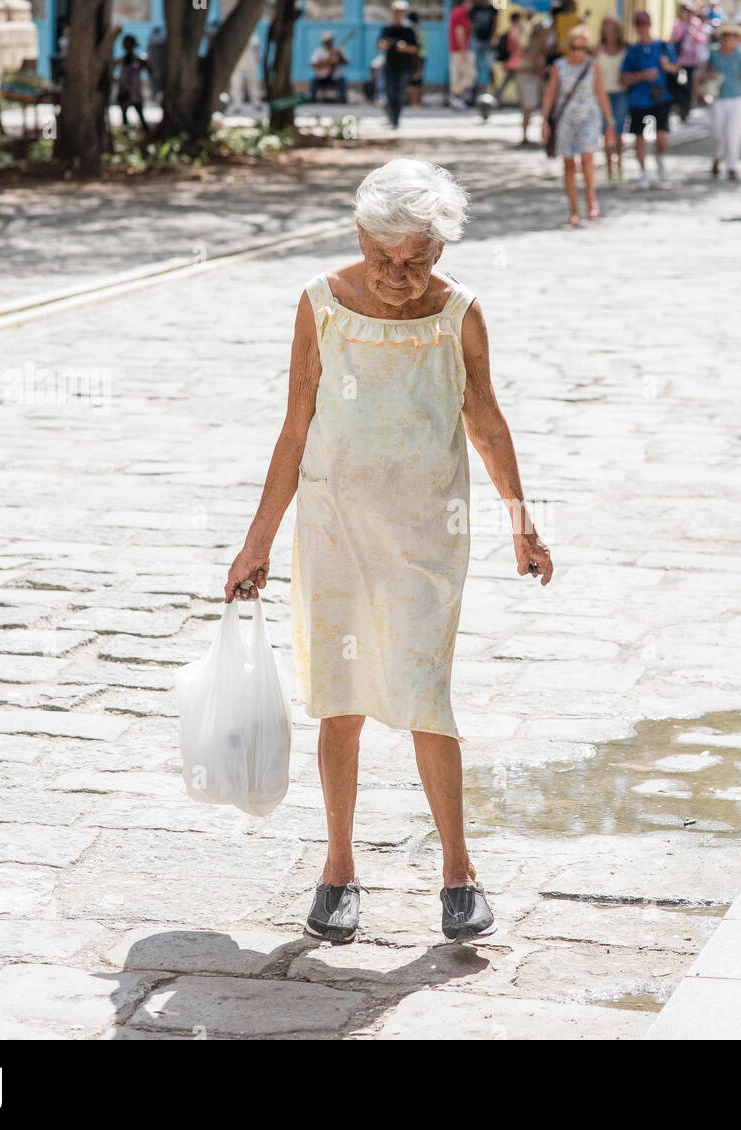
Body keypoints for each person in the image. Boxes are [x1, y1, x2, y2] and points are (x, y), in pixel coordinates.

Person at [223, 159, 553, 945]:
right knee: (340, 696)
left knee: (424, 693)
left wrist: (521, 518)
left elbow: (487, 420)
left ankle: (459, 873)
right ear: (359, 238)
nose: (398, 276)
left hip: (425, 537)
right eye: (382, 258)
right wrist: (257, 539)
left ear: (440, 251)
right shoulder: (322, 306)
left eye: (416, 260)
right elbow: (296, 427)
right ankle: (338, 868)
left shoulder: (458, 313)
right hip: (334, 529)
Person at [543, 25, 613, 227]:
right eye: (574, 47)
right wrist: (545, 122)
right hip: (566, 120)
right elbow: (550, 94)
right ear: (568, 47)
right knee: (569, 165)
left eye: (582, 48)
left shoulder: (593, 65)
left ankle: (591, 199)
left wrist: (610, 122)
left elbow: (600, 93)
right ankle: (574, 209)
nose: (578, 52)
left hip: (589, 118)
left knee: (587, 159)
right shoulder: (559, 66)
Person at [620, 9, 680, 189]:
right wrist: (641, 76)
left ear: (650, 24)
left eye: (644, 23)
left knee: (662, 136)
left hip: (661, 97)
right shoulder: (632, 51)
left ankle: (659, 157)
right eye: (639, 24)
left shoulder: (662, 46)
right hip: (639, 99)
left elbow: (676, 68)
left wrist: (666, 65)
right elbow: (623, 78)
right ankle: (643, 172)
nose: (642, 27)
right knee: (639, 137)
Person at [706, 22, 741, 180]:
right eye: (726, 36)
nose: (729, 39)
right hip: (718, 97)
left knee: (734, 132)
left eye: (732, 36)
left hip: (737, 98)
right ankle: (718, 156)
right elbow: (707, 70)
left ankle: (732, 165)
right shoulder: (714, 53)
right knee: (718, 131)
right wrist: (710, 76)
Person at [597, 17, 629, 185]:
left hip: (621, 94)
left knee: (618, 134)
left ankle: (620, 166)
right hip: (603, 96)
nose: (609, 32)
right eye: (606, 28)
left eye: (612, 29)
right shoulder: (598, 50)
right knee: (607, 133)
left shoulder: (625, 49)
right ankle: (609, 170)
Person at [668, 3, 710, 122]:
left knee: (689, 85)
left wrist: (693, 33)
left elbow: (702, 39)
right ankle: (678, 104)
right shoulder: (677, 23)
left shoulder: (696, 23)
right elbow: (673, 40)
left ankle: (687, 107)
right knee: (676, 84)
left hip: (692, 60)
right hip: (679, 60)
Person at [518, 15, 551, 145]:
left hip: (526, 77)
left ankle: (526, 135)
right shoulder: (536, 42)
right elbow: (534, 61)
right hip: (529, 78)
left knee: (527, 108)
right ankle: (525, 136)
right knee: (528, 107)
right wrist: (543, 71)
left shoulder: (532, 40)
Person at [115, 35, 151, 130]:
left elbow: (150, 71)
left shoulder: (139, 60)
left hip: (135, 93)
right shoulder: (122, 60)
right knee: (124, 117)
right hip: (124, 92)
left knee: (140, 116)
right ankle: (127, 136)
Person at [470, 0, 500, 102]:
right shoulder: (475, 8)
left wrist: (492, 39)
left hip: (488, 42)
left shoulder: (492, 9)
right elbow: (471, 24)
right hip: (476, 40)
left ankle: (494, 93)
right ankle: (474, 93)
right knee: (474, 67)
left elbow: (496, 24)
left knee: (490, 68)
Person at [449, 0, 476, 110]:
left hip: (459, 50)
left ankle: (457, 97)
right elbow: (459, 31)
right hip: (460, 50)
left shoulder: (459, 12)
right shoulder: (460, 13)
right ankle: (455, 96)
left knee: (461, 76)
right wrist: (464, 50)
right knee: (469, 75)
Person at [310, 31, 349, 104]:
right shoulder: (318, 51)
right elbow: (313, 63)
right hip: (323, 76)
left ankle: (342, 99)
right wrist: (326, 61)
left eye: (330, 41)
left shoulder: (337, 50)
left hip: (336, 76)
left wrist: (340, 57)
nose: (329, 43)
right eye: (327, 41)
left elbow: (346, 63)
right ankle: (312, 99)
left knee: (342, 80)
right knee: (314, 81)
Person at [496, 9, 526, 104]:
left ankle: (498, 96)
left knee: (510, 80)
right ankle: (522, 100)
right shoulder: (514, 31)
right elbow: (516, 44)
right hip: (514, 59)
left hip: (513, 59)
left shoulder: (512, 30)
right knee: (514, 80)